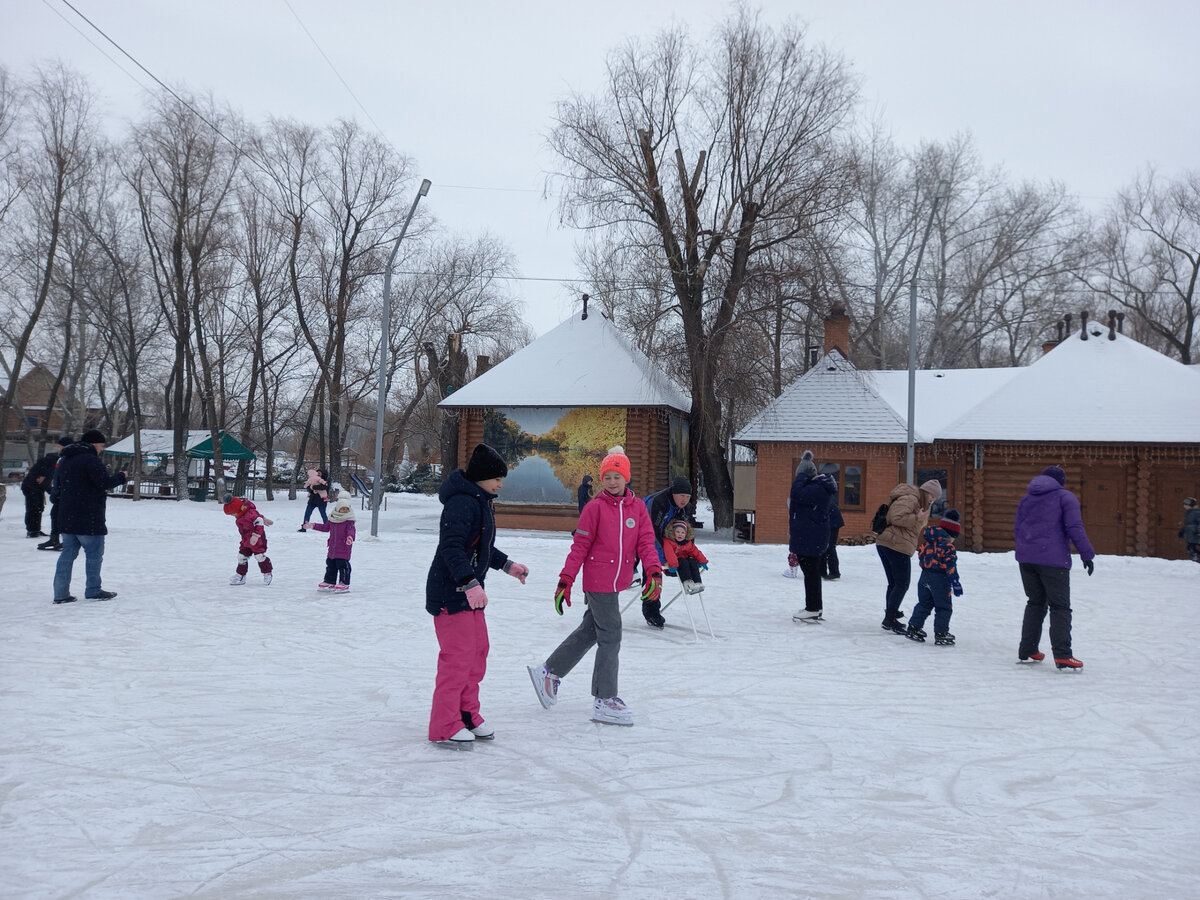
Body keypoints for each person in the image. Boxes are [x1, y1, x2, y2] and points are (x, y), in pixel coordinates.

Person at [528, 446, 662, 726]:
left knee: (591, 631)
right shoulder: (595, 508)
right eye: (607, 477)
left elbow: (646, 543)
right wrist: (566, 580)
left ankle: (549, 672)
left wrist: (654, 572)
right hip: (598, 581)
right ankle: (605, 698)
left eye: (617, 476)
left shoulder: (637, 508)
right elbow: (580, 547)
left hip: (618, 581)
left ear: (626, 478)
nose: (612, 481)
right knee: (611, 635)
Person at [425, 443, 528, 749]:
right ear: (482, 477)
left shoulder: (481, 501)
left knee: (477, 653)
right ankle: (444, 724)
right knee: (457, 658)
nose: (501, 483)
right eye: (497, 477)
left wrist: (507, 565)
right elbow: (452, 547)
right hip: (451, 591)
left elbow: (480, 547)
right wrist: (469, 581)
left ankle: (466, 714)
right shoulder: (461, 503)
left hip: (469, 592)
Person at [1014, 465, 1095, 670]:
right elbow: (1074, 527)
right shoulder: (1065, 497)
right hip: (1053, 562)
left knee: (1035, 603)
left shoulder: (1026, 498)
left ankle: (1028, 649)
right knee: (1059, 607)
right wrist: (1087, 554)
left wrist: (1025, 551)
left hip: (1027, 560)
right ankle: (1063, 655)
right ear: (1061, 481)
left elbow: (1018, 528)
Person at [51, 430, 127, 605]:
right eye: (101, 446)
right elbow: (104, 483)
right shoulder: (91, 460)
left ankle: (60, 593)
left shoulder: (64, 460)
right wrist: (121, 477)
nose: (101, 449)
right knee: (94, 555)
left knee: (67, 555)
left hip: (67, 515)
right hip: (89, 516)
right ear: (94, 444)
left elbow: (57, 487)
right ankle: (93, 590)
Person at [875, 478, 944, 634]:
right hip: (895, 545)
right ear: (926, 492)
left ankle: (890, 615)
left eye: (936, 498)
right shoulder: (911, 498)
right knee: (902, 583)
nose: (933, 500)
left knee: (894, 584)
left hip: (892, 543)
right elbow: (896, 518)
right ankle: (890, 618)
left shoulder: (918, 502)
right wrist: (917, 518)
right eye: (932, 496)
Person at [788, 451, 837, 623]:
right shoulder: (818, 487)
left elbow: (796, 494)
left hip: (810, 537)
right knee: (812, 573)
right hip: (811, 536)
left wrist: (801, 474)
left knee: (811, 573)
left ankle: (812, 608)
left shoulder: (816, 488)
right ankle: (815, 606)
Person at [640, 475, 692, 627]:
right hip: (637, 536)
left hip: (660, 539)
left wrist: (687, 554)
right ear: (674, 493)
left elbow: (686, 534)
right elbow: (651, 533)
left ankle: (653, 612)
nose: (685, 500)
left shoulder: (684, 507)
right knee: (651, 571)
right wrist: (663, 558)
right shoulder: (659, 502)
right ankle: (651, 612)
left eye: (688, 496)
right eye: (682, 496)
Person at [906, 508, 963, 645]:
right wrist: (955, 582)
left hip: (924, 576)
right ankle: (941, 633)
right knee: (944, 607)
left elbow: (920, 556)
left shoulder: (927, 542)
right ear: (951, 534)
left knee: (924, 604)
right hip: (940, 580)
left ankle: (914, 627)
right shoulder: (948, 547)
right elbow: (951, 566)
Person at [304, 495, 356, 590]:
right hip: (332, 547)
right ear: (337, 509)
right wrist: (312, 525)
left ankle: (344, 582)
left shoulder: (348, 522)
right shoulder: (333, 520)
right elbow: (325, 527)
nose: (344, 511)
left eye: (346, 509)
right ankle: (329, 581)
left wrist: (350, 538)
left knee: (343, 565)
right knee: (330, 564)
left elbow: (351, 531)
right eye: (342, 509)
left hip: (344, 547)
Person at [224, 493, 274, 585]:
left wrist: (255, 536)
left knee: (259, 556)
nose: (232, 515)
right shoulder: (240, 515)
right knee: (241, 556)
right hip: (246, 540)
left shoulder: (250, 513)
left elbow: (258, 522)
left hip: (257, 540)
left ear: (237, 509)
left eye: (232, 513)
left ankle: (267, 572)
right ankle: (241, 575)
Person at [39, 435, 73, 551]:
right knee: (55, 515)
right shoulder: (61, 458)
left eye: (60, 447)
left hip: (65, 493)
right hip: (59, 493)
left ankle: (66, 540)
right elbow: (57, 476)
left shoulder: (69, 459)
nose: (58, 449)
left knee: (65, 517)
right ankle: (54, 538)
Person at [21, 444, 59, 538]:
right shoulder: (50, 465)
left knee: (36, 508)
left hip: (31, 486)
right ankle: (33, 530)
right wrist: (54, 493)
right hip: (32, 487)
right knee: (35, 508)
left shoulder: (44, 462)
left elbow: (43, 481)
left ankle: (34, 529)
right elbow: (44, 483)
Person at [664, 520, 709, 594]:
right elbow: (670, 554)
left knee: (692, 561)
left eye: (682, 532)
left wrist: (703, 561)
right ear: (673, 532)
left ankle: (698, 582)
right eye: (677, 532)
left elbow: (696, 552)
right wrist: (673, 565)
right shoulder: (668, 542)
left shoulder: (687, 543)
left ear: (686, 534)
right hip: (671, 568)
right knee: (682, 561)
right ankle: (687, 584)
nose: (680, 534)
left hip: (685, 568)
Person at [822, 498, 844, 581]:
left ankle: (834, 572)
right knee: (823, 546)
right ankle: (822, 571)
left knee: (830, 547)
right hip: (829, 521)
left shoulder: (818, 497)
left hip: (832, 523)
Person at [1179, 497, 1200, 562]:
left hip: (1196, 534)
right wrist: (1182, 531)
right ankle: (1194, 561)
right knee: (1190, 548)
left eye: (1186, 505)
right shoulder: (1189, 512)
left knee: (1192, 549)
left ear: (1191, 505)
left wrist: (1199, 532)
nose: (1184, 506)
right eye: (1184, 505)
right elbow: (1188, 524)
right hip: (1191, 535)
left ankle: (1194, 562)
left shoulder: (1197, 512)